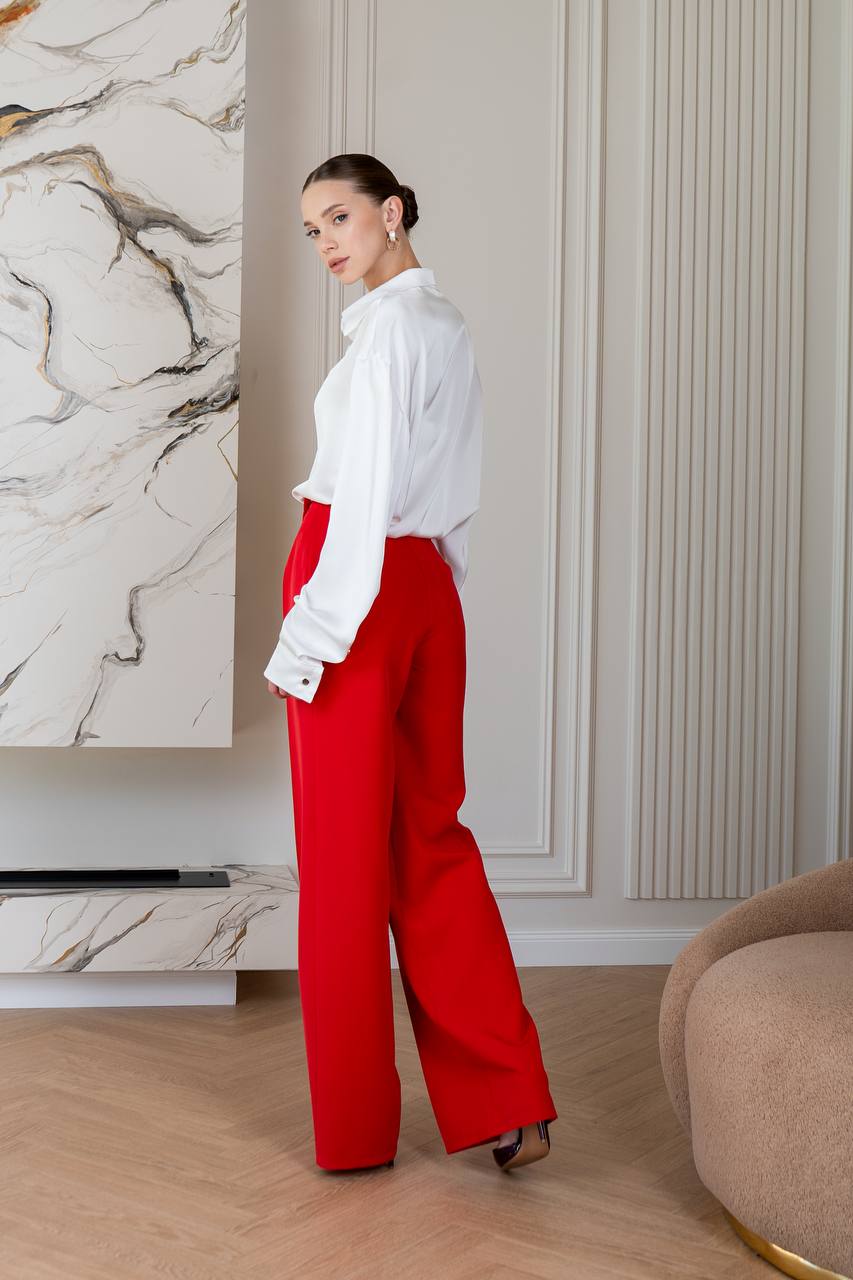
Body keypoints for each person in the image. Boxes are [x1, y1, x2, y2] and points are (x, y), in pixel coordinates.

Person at [263, 152, 557, 1174]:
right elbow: (456, 484)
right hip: (426, 584)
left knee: (344, 862)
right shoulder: (446, 323)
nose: (327, 243)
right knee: (430, 835)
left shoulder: (389, 332)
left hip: (354, 581)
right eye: (312, 230)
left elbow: (365, 488)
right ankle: (505, 1098)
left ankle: (354, 1132)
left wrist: (312, 632)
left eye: (338, 217)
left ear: (391, 212)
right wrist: (440, 600)